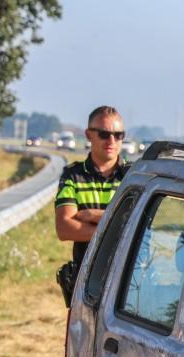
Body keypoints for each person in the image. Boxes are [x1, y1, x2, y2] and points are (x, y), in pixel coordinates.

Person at [54, 105, 130, 282]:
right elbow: (64, 228)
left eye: (118, 135)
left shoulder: (135, 176)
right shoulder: (73, 175)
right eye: (104, 134)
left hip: (126, 284)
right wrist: (115, 226)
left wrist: (93, 215)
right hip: (86, 283)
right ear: (89, 135)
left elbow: (136, 228)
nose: (112, 140)